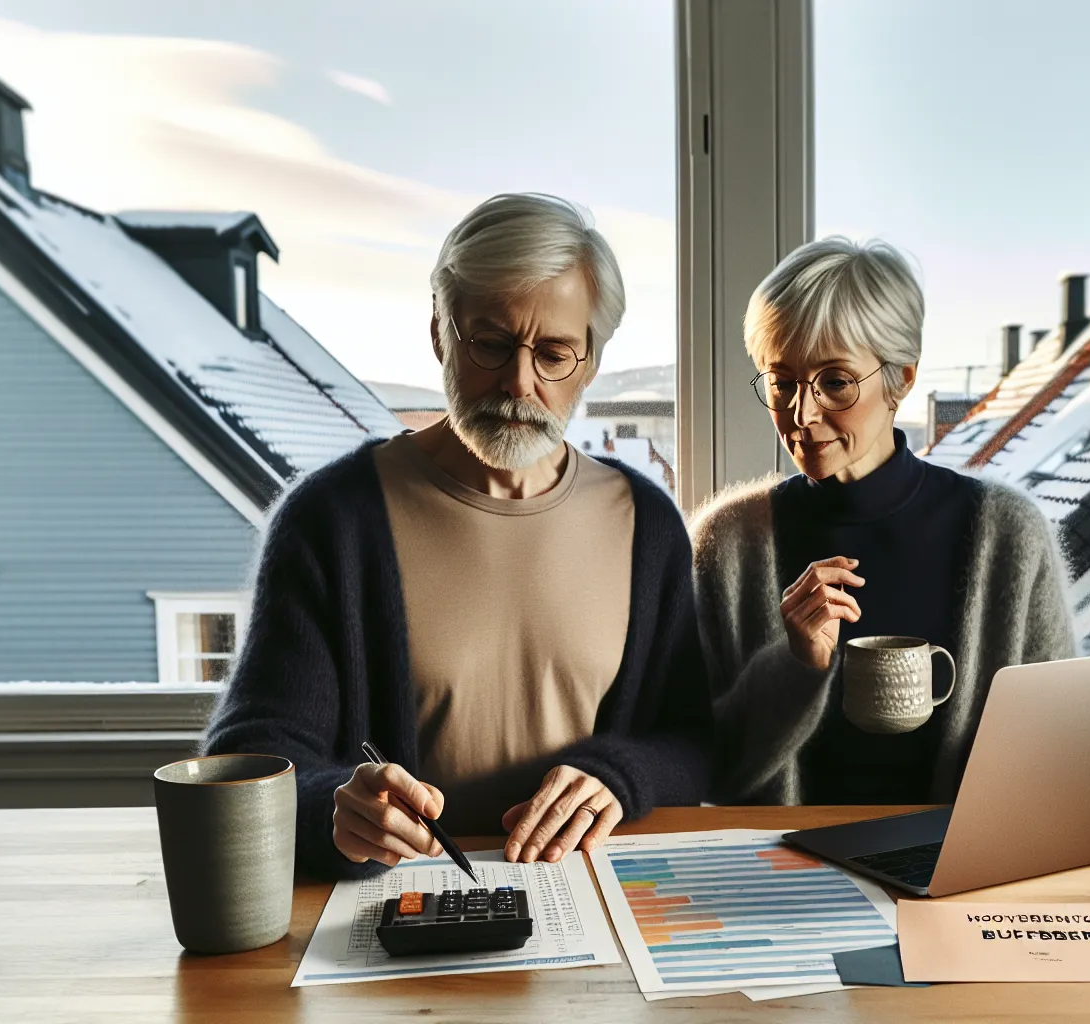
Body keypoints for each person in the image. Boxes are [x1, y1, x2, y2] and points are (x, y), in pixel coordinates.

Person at [204, 194, 711, 879]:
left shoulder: (645, 523)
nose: (519, 383)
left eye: (554, 354)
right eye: (491, 344)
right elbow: (250, 760)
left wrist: (621, 775)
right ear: (441, 335)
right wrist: (333, 808)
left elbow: (693, 739)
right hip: (398, 907)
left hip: (591, 895)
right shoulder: (332, 520)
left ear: (591, 363)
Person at [691, 237, 1075, 805]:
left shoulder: (1009, 535)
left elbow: (1059, 747)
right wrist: (795, 666)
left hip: (959, 855)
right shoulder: (727, 544)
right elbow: (706, 771)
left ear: (901, 379)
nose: (801, 413)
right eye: (782, 382)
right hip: (779, 860)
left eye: (835, 382)